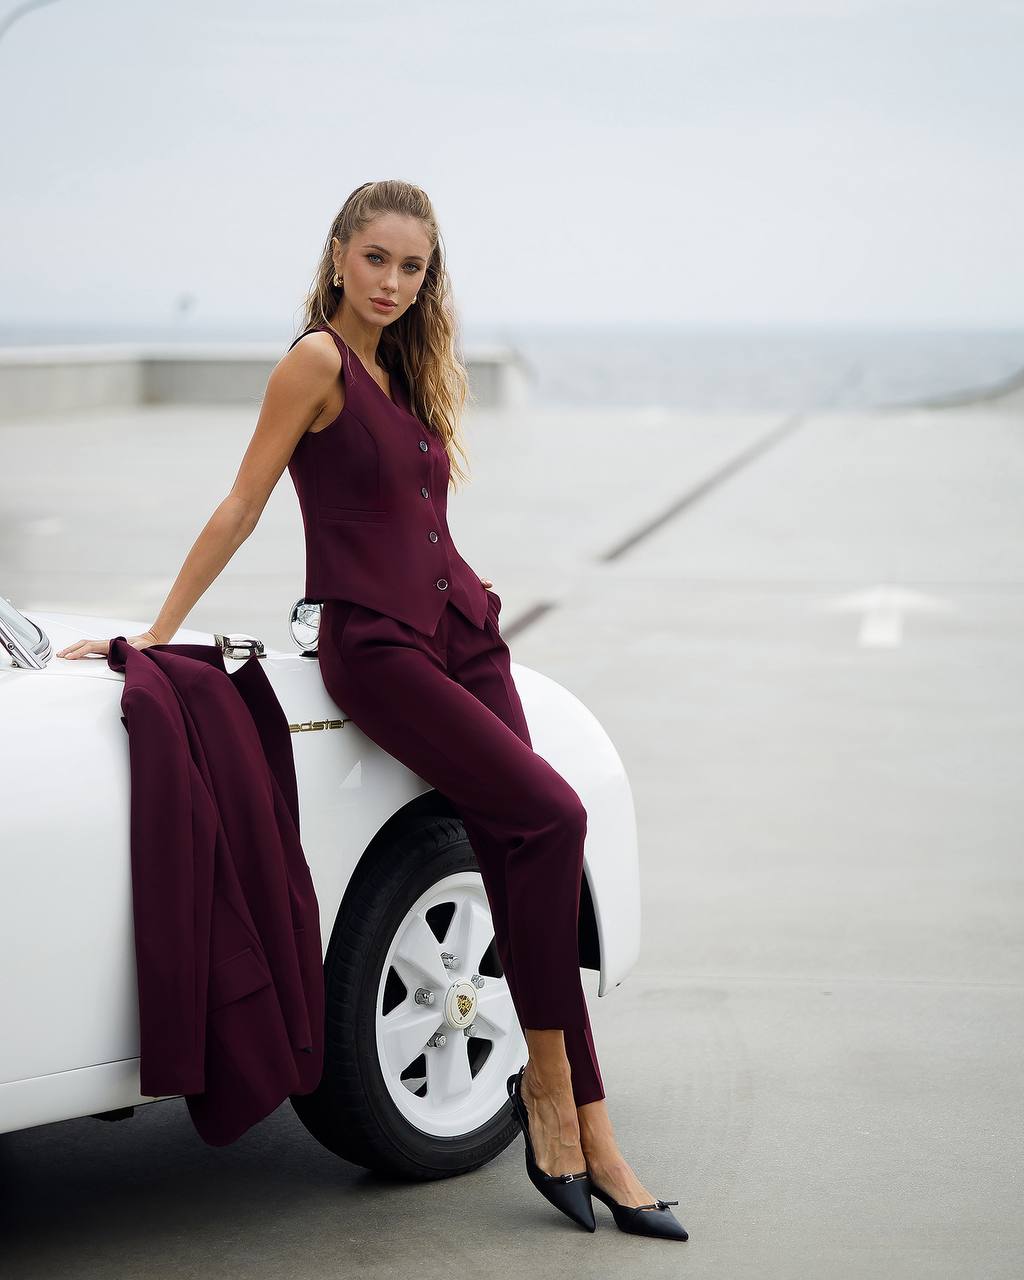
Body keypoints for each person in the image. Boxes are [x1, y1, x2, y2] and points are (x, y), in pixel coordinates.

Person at [57, 179, 686, 1242]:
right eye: (377, 259)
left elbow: (418, 519)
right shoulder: (317, 362)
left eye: (413, 266)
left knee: (526, 854)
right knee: (557, 817)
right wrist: (162, 628)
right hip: (378, 648)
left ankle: (597, 1136)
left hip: (464, 633)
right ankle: (553, 1099)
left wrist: (464, 597)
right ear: (341, 255)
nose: (393, 282)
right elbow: (244, 500)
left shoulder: (405, 368)